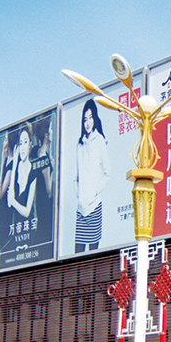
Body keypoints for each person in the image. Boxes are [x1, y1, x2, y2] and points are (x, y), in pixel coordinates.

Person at [74, 99, 110, 252]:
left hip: (94, 206)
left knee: (93, 254)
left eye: (90, 118)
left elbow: (107, 173)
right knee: (77, 253)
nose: (87, 122)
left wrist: (94, 191)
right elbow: (76, 176)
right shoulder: (80, 145)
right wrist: (79, 194)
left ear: (95, 118)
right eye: (85, 119)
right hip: (81, 208)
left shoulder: (100, 141)